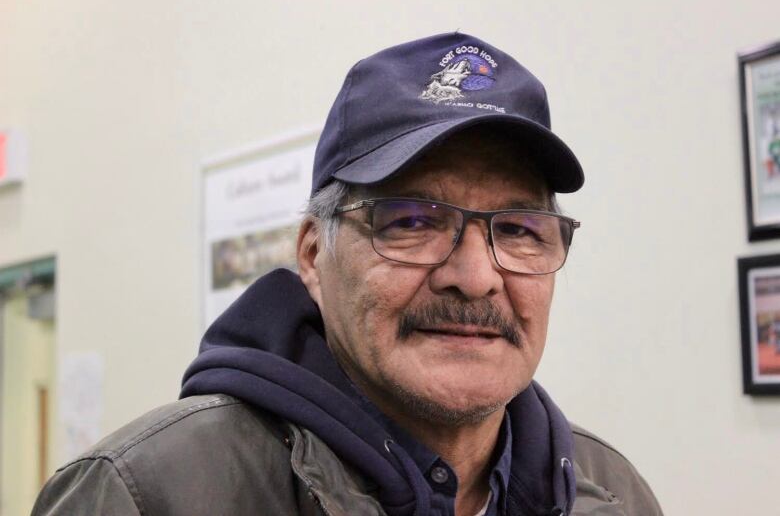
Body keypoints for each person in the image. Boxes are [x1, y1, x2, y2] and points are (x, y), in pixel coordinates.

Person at [32, 32, 663, 516]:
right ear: (312, 254)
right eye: (413, 221)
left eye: (519, 230)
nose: (474, 278)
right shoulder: (147, 493)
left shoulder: (613, 494)